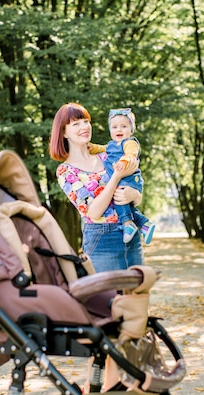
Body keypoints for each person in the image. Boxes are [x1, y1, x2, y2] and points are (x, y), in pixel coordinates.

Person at [49, 102, 145, 272]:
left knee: (137, 293)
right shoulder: (66, 171)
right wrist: (116, 176)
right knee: (109, 297)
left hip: (130, 234)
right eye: (76, 123)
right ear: (64, 132)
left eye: (86, 121)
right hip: (101, 239)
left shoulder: (108, 154)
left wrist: (135, 195)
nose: (84, 126)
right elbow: (92, 212)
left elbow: (135, 188)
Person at [89, 108, 156, 244]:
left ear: (131, 130)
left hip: (129, 178)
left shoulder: (129, 142)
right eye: (114, 127)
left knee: (118, 198)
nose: (119, 130)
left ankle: (127, 224)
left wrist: (124, 160)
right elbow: (102, 148)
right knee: (127, 205)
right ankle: (145, 224)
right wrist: (92, 148)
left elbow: (131, 153)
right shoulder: (112, 145)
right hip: (123, 179)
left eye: (124, 126)